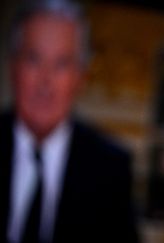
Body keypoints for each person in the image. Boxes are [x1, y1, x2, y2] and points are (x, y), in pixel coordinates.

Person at [0, 1, 138, 242]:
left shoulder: (111, 169)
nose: (46, 83)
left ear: (80, 77)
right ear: (13, 66)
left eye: (62, 63)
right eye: (33, 59)